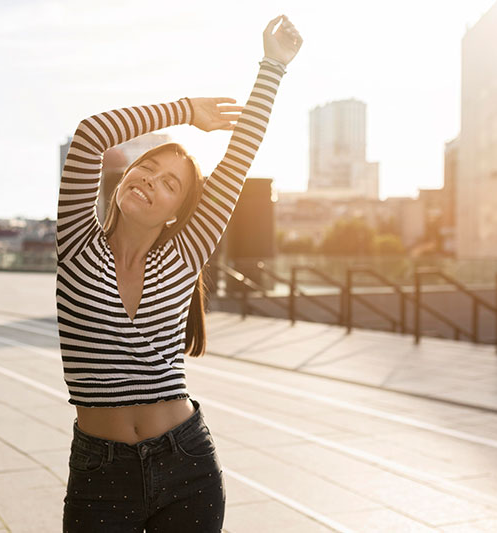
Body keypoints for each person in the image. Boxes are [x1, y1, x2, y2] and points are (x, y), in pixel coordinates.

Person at [55, 14, 302, 532]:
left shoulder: (184, 256)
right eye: (146, 167)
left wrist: (273, 65)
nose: (150, 180)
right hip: (101, 473)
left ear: (176, 212)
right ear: (125, 178)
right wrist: (188, 111)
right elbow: (92, 134)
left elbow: (239, 157)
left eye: (170, 184)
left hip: (187, 463)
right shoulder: (77, 246)